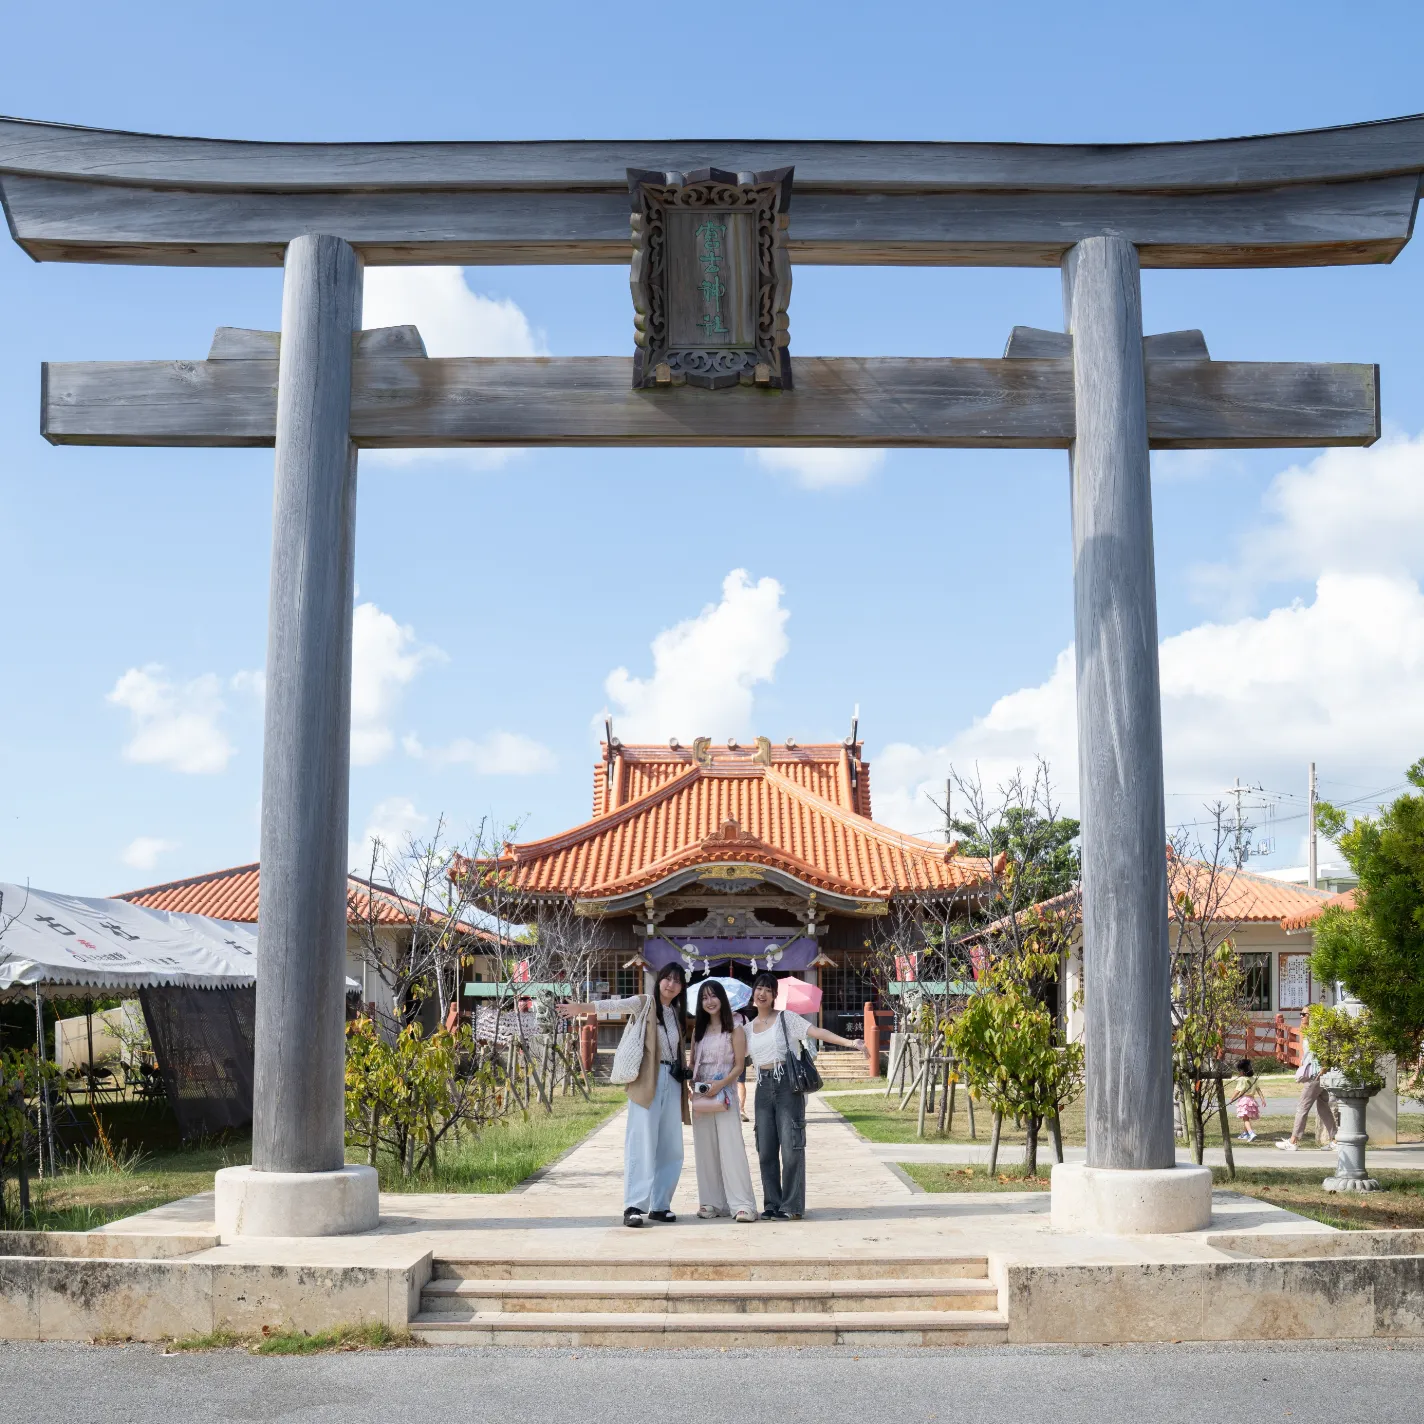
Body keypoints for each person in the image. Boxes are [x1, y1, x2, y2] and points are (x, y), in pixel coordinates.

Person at [560, 962, 689, 1227]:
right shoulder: (644, 1003)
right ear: (659, 980)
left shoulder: (675, 1013)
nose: (671, 984)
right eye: (667, 978)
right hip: (646, 1079)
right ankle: (633, 1205)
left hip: (672, 1081)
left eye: (677, 981)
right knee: (642, 1141)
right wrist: (580, 1008)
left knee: (671, 1145)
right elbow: (613, 1006)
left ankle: (661, 1205)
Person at [743, 971, 865, 1220]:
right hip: (763, 1088)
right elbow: (733, 1058)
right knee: (765, 1150)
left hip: (788, 1085)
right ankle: (772, 1204)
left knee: (791, 1147)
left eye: (768, 989)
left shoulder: (787, 1018)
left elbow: (818, 1032)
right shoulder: (746, 1029)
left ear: (775, 995)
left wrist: (852, 1043)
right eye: (759, 988)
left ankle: (791, 1206)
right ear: (753, 994)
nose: (762, 993)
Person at [688, 980, 758, 1223]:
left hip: (725, 1092)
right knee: (704, 1149)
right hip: (701, 1094)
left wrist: (720, 1084)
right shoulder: (699, 1030)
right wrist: (692, 1083)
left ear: (722, 999)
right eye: (704, 997)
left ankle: (742, 1204)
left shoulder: (735, 1028)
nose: (709, 1001)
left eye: (713, 996)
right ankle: (711, 1202)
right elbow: (693, 1061)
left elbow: (739, 1065)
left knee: (731, 1147)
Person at [1276, 1036, 1336, 1151]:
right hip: (1319, 1076)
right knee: (1323, 1109)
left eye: (1304, 1016)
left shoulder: (1317, 1034)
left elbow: (1324, 1052)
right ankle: (1335, 1140)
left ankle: (1293, 1141)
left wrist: (1323, 1068)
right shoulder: (1312, 1033)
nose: (1302, 1017)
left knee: (1302, 1108)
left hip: (1315, 1076)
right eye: (1301, 1016)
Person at [1226, 1057, 1264, 1142]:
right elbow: (1258, 1090)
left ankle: (1251, 1133)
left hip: (1244, 1100)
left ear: (1242, 1071)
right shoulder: (1254, 1079)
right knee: (1246, 1117)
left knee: (1245, 1119)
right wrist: (1262, 1099)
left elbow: (1237, 1090)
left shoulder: (1242, 1079)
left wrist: (1232, 1098)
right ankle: (1245, 1133)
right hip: (1251, 1100)